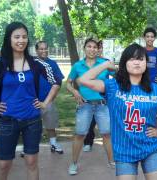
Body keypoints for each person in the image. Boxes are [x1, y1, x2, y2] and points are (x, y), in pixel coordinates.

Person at [78, 43, 157, 180]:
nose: (137, 63)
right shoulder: (113, 87)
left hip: (149, 148)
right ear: (124, 63)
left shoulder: (156, 90)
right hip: (124, 150)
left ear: (146, 63)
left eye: (141, 59)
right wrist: (105, 65)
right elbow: (83, 80)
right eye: (132, 59)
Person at [0, 22, 62, 180]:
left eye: (24, 37)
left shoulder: (36, 63)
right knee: (4, 164)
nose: (21, 40)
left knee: (31, 162)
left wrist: (45, 103)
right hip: (8, 121)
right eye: (16, 36)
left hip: (32, 120)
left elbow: (56, 82)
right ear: (9, 39)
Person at [66, 38, 114, 175]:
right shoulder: (78, 66)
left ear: (98, 49)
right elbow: (68, 83)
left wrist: (113, 67)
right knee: (80, 134)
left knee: (106, 134)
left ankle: (112, 161)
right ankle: (74, 163)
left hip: (102, 105)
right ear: (84, 48)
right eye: (89, 46)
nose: (92, 49)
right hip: (84, 105)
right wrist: (74, 91)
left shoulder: (104, 63)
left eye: (94, 47)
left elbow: (118, 76)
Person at [35, 41, 64, 154]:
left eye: (45, 48)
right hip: (33, 101)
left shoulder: (52, 63)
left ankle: (53, 144)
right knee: (32, 125)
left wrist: (52, 97)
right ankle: (29, 147)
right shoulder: (31, 63)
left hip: (48, 100)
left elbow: (59, 81)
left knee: (51, 124)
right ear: (36, 50)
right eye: (41, 49)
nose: (44, 51)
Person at [83, 40, 106, 152]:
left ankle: (111, 144)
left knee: (108, 124)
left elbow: (117, 76)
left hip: (103, 99)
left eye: (100, 48)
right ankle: (88, 142)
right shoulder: (85, 63)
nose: (98, 50)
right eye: (97, 47)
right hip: (89, 98)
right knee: (89, 123)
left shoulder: (106, 63)